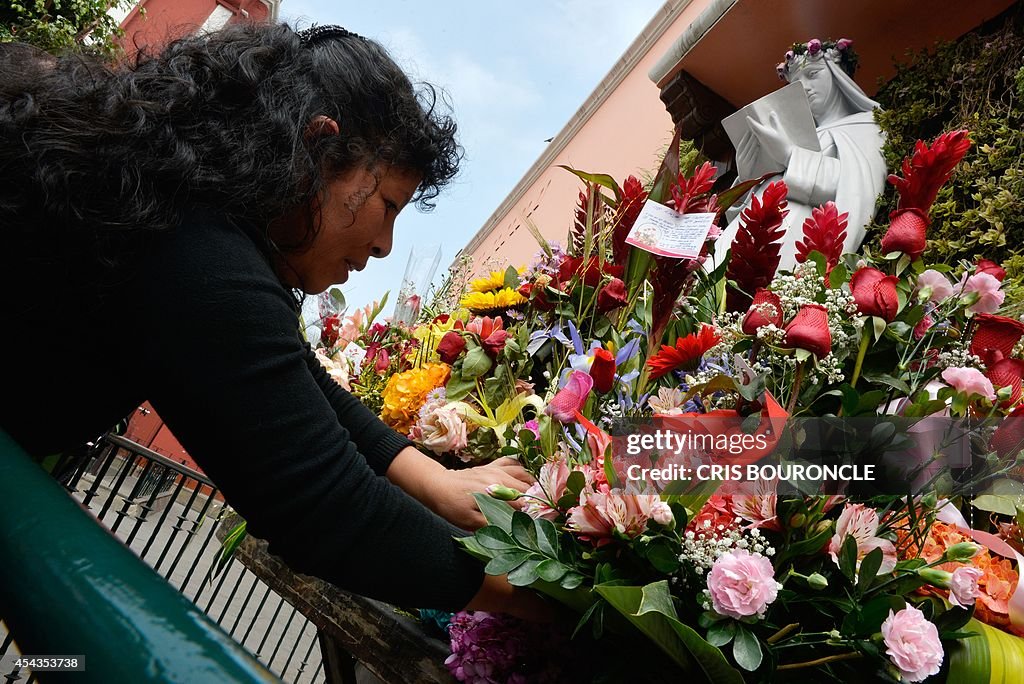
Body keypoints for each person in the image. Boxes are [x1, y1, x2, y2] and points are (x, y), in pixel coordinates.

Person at [0, 23, 545, 617]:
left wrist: (435, 481)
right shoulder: (190, 246)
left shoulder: (174, 202)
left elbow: (293, 373)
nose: (386, 245)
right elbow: (331, 512)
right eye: (386, 204)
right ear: (315, 146)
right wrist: (549, 605)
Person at [716, 38, 887, 272]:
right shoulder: (798, 134)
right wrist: (747, 182)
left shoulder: (866, 125)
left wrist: (789, 155)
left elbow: (857, 190)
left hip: (795, 244)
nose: (804, 87)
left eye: (813, 74)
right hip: (749, 240)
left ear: (838, 75)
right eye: (796, 82)